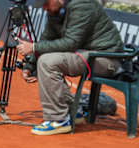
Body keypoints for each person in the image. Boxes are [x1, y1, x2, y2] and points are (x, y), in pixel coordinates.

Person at [17, 0, 123, 135]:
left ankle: (58, 120)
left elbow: (71, 43)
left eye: (46, 3)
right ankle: (74, 112)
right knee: (47, 59)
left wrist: (33, 47)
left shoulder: (82, 5)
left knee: (48, 62)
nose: (44, 8)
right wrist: (30, 65)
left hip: (106, 59)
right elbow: (46, 38)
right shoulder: (56, 10)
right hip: (90, 54)